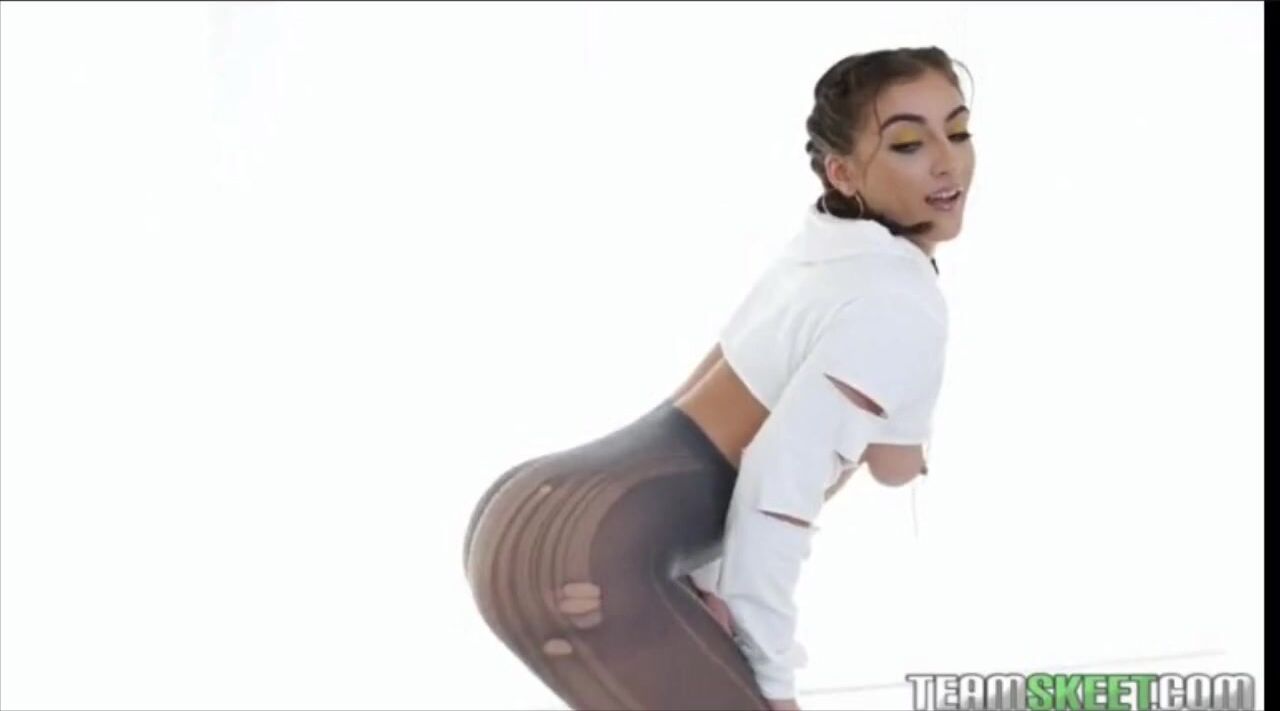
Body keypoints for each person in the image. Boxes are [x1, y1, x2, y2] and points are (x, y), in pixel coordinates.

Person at [463, 45, 975, 711]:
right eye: (908, 143)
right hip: (592, 550)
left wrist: (702, 583)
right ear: (842, 172)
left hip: (546, 514)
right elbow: (773, 495)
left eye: (958, 131)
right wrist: (774, 680)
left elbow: (731, 429)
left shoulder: (824, 252)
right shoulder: (897, 305)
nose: (947, 161)